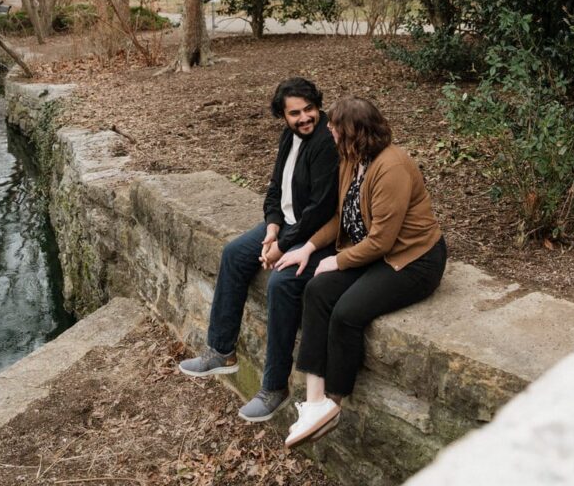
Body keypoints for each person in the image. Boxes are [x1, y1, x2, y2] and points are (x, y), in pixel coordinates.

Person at [276, 95, 446, 448]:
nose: (329, 130)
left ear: (352, 132)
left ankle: (333, 405)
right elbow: (342, 216)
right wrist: (307, 249)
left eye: (335, 126)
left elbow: (383, 241)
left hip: (412, 260)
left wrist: (335, 260)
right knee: (317, 290)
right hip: (372, 253)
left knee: (347, 312)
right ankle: (314, 401)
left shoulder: (392, 166)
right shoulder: (351, 161)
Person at [179, 77, 339, 422]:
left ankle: (274, 387)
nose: (304, 118)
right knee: (235, 253)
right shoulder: (290, 136)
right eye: (295, 113)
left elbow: (322, 209)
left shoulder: (326, 142)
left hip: (314, 232)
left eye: (310, 109)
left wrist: (281, 246)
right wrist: (271, 228)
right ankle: (221, 351)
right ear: (283, 116)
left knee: (281, 284)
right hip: (285, 225)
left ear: (318, 106)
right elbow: (274, 189)